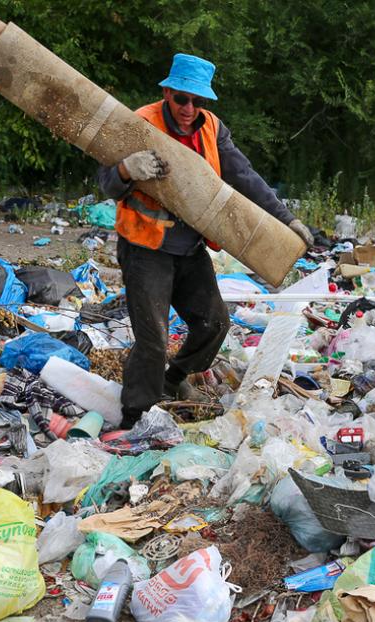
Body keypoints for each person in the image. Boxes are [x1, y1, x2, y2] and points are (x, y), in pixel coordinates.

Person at [98, 53, 313, 428]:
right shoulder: (139, 124)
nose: (189, 108)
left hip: (190, 248)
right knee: (153, 341)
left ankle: (172, 379)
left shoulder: (212, 128)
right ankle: (134, 417)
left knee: (214, 324)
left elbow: (244, 176)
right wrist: (125, 169)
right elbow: (106, 183)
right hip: (145, 249)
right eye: (182, 98)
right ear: (167, 92)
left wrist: (287, 219)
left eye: (198, 101)